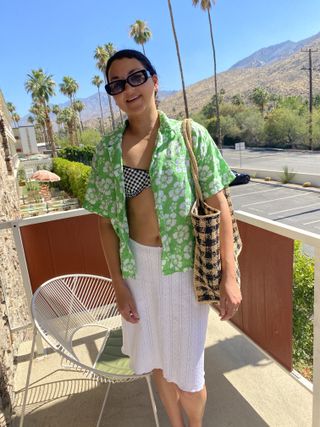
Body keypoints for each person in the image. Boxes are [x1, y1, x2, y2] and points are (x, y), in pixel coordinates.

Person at [83, 49, 242, 427]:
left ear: (154, 81)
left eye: (136, 77)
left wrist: (230, 277)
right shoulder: (108, 151)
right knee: (157, 360)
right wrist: (118, 285)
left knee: (188, 373)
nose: (128, 88)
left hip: (183, 272)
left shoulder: (190, 135)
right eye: (117, 84)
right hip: (138, 270)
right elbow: (105, 224)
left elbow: (219, 205)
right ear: (113, 94)